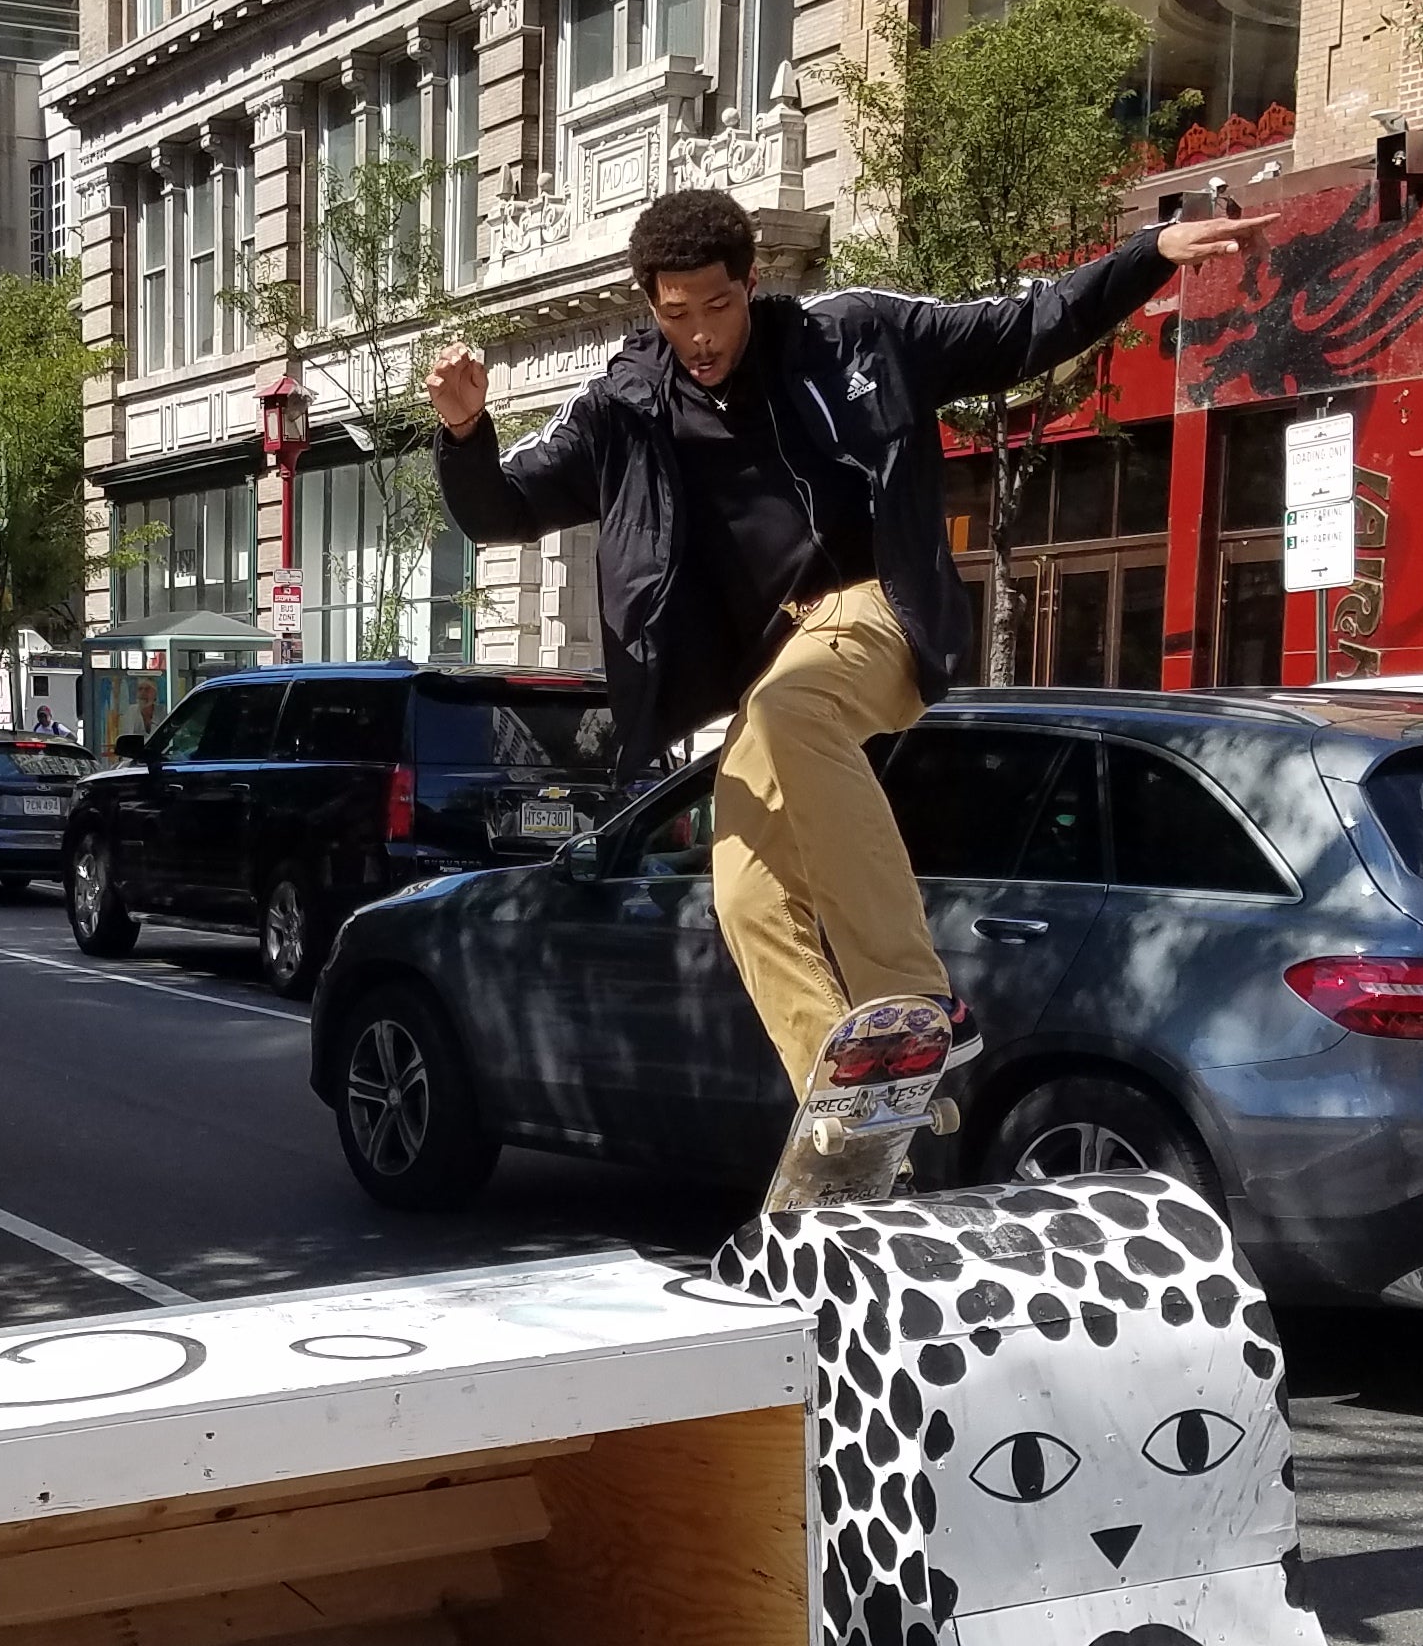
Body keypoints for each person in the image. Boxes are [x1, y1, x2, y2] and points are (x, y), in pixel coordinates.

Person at [428, 186, 1272, 1093]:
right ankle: (848, 1106)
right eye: (678, 316)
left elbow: (1021, 327)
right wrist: (466, 430)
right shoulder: (624, 407)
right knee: (746, 896)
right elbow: (501, 511)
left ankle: (916, 998)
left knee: (796, 706)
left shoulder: (855, 335)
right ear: (650, 304)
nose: (702, 335)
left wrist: (1149, 253)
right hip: (773, 678)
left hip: (873, 610)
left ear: (750, 282)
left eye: (719, 306)